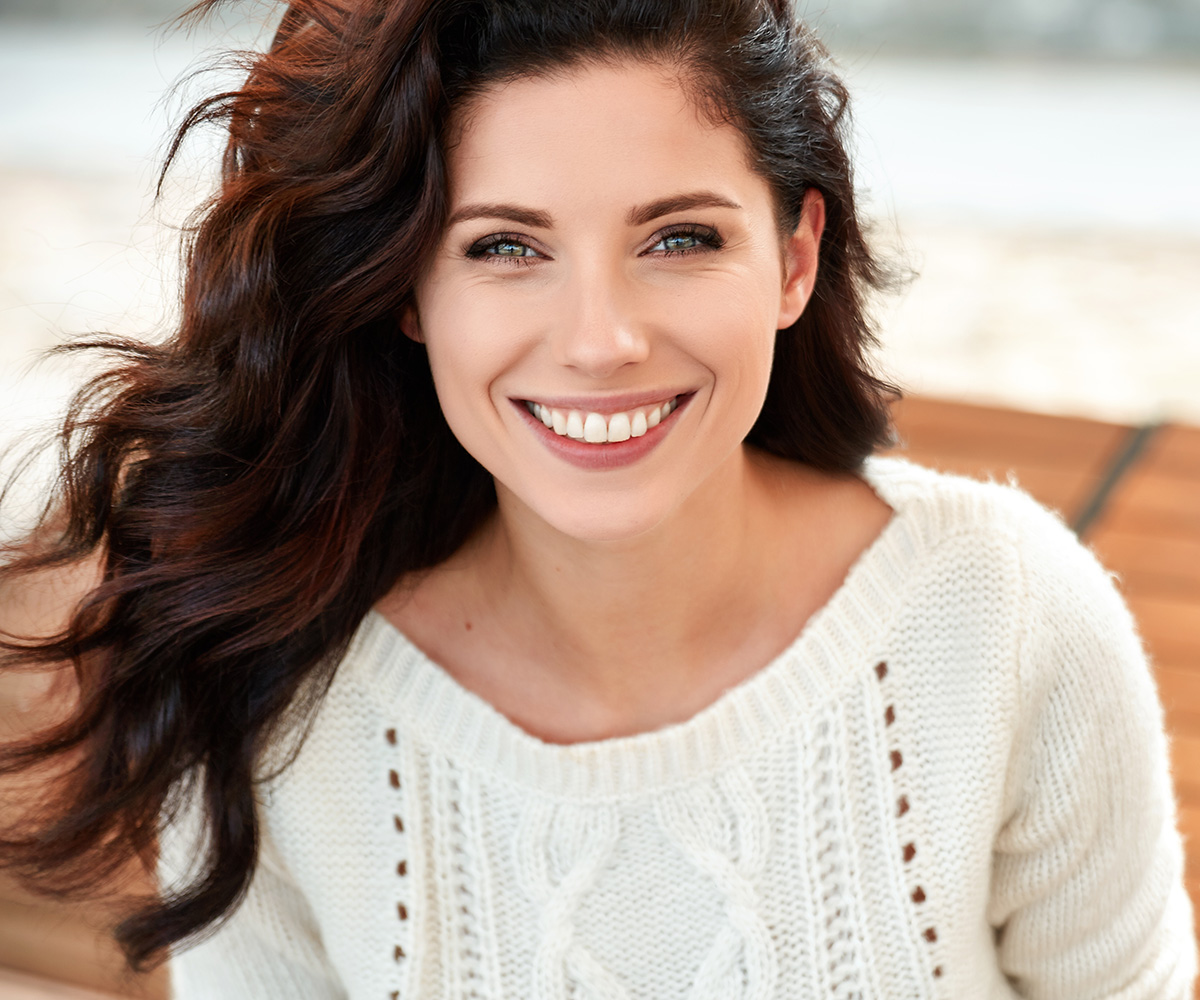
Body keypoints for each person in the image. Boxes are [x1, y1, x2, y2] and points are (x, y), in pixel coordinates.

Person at [0, 0, 1195, 996]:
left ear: (793, 258)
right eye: (505, 247)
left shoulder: (1006, 618)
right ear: (407, 289)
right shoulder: (277, 694)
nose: (601, 340)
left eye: (678, 239)